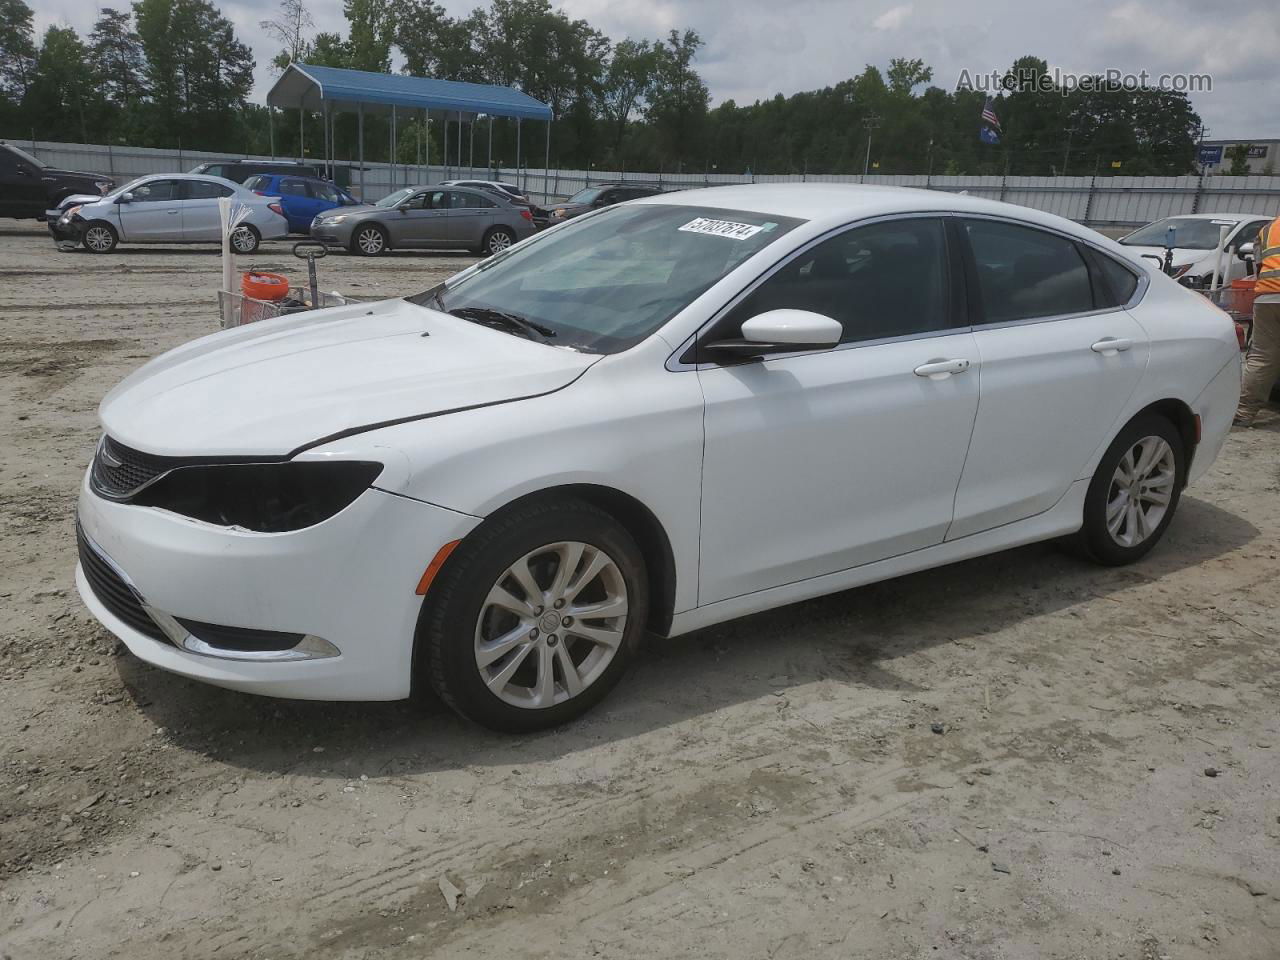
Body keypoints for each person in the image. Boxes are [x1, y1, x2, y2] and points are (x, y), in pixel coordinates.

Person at [1235, 212, 1280, 426]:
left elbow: (1260, 266)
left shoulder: (1268, 229)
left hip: (1267, 298)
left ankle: (1244, 413)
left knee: (1262, 357)